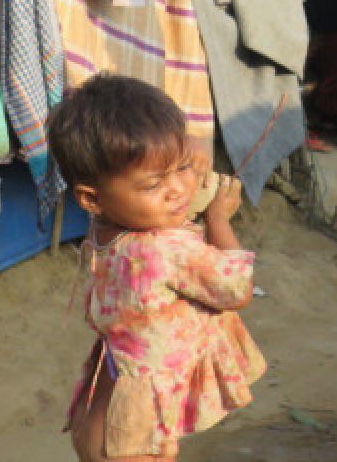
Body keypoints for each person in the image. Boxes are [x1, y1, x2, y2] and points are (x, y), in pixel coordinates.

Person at [51, 74, 265, 462]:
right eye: (153, 185)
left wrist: (183, 152)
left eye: (182, 168)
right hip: (136, 427)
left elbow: (163, 171)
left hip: (109, 395)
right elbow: (238, 289)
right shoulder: (165, 247)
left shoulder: (105, 226)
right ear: (91, 198)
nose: (179, 190)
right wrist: (219, 221)